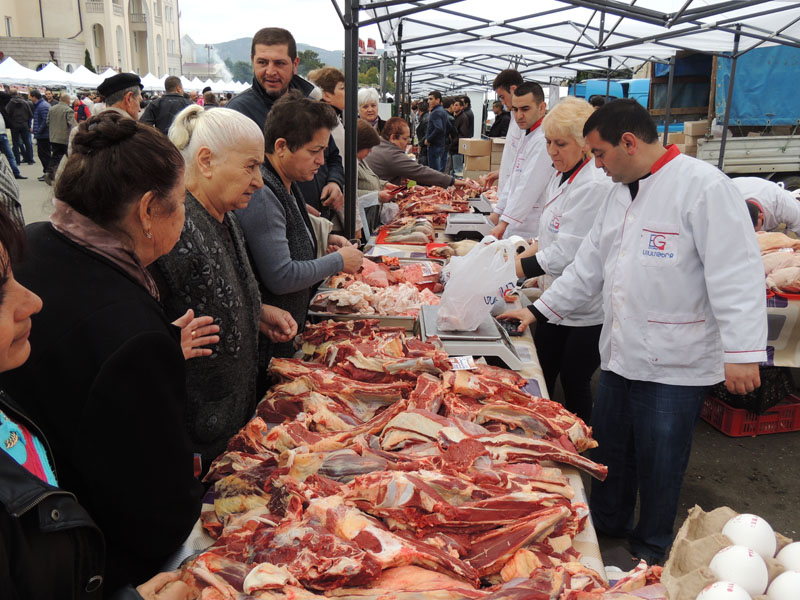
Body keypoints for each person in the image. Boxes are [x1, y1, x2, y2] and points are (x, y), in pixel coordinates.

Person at [499, 98, 766, 565]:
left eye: (599, 154)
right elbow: (589, 266)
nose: (596, 166)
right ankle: (607, 527)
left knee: (661, 461)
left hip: (676, 360)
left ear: (628, 142)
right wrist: (539, 310)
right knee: (613, 449)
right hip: (622, 352)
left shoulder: (703, 187)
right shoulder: (620, 193)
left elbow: (736, 273)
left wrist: (743, 352)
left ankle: (651, 548)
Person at [0, 111, 205, 592]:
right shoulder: (134, 335)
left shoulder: (30, 242)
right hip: (91, 566)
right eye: (180, 204)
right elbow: (160, 512)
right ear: (149, 210)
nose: (30, 304)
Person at [152, 105, 297, 469]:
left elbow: (214, 294)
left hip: (231, 425)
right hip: (194, 439)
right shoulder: (176, 226)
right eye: (250, 166)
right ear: (205, 161)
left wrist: (256, 311)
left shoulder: (225, 214)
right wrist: (167, 341)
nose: (259, 181)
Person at [235, 92, 362, 391]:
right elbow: (281, 275)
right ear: (281, 147)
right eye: (314, 151)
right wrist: (339, 261)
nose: (321, 160)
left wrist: (326, 238)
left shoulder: (287, 185)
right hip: (270, 345)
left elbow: (288, 237)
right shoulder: (265, 194)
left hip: (286, 334)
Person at [513, 97, 614, 423]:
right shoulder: (563, 176)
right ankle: (549, 430)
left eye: (560, 143)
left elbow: (569, 253)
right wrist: (524, 257)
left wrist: (517, 268)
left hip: (586, 308)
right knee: (543, 367)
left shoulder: (593, 185)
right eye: (548, 142)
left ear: (584, 144)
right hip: (555, 296)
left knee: (574, 378)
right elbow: (554, 236)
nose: (552, 151)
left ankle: (581, 444)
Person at [228, 27, 345, 224]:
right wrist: (289, 204)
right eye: (263, 62)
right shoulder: (237, 112)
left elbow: (332, 155)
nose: (270, 71)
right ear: (252, 61)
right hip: (275, 225)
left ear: (295, 64)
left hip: (320, 222)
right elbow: (233, 176)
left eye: (279, 63)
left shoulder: (310, 104)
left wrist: (335, 182)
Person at [489, 81, 553, 240]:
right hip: (515, 221)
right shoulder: (527, 134)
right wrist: (497, 213)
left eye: (525, 109)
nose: (519, 115)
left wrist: (503, 222)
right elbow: (513, 178)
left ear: (542, 107)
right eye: (515, 109)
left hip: (531, 225)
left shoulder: (543, 139)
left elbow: (529, 184)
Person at [364, 117, 470, 188]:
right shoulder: (391, 154)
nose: (407, 143)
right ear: (393, 137)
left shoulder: (379, 143)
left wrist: (402, 189)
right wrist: (453, 181)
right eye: (405, 139)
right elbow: (422, 172)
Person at [484, 69, 525, 190]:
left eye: (502, 97)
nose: (502, 102)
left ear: (513, 89)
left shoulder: (525, 124)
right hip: (508, 191)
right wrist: (501, 172)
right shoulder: (513, 117)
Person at [356, 119, 400, 233]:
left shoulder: (361, 160)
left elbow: (369, 177)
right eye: (368, 147)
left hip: (369, 218)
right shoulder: (349, 164)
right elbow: (347, 193)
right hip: (358, 223)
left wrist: (384, 184)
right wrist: (378, 195)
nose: (370, 151)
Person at [734, 177, 800, 234]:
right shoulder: (730, 199)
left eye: (756, 231)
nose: (756, 234)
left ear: (761, 216)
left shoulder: (782, 203)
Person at [46, 92, 78, 182]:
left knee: (55, 156)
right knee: (72, 157)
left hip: (53, 137)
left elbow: (47, 122)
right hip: (65, 138)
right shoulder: (68, 110)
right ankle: (74, 175)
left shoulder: (52, 109)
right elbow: (73, 125)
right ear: (67, 101)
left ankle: (49, 173)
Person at [6, 90, 34, 167]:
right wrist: (28, 123)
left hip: (14, 125)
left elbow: (7, 113)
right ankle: (30, 160)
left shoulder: (10, 103)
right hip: (24, 124)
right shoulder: (25, 102)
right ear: (18, 94)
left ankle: (17, 161)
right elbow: (30, 114)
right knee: (27, 142)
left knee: (15, 143)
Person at [29, 90, 51, 182]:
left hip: (44, 135)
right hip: (43, 134)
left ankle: (49, 173)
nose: (29, 98)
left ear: (34, 97)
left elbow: (46, 120)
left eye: (30, 96)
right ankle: (47, 173)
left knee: (44, 155)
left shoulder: (42, 106)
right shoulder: (41, 105)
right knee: (43, 154)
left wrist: (38, 131)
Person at [425, 91, 449, 173]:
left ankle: (436, 185)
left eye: (431, 99)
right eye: (428, 99)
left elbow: (439, 128)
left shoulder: (436, 112)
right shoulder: (442, 111)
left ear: (438, 100)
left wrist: (428, 139)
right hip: (440, 144)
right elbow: (448, 127)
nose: (428, 101)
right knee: (439, 171)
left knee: (434, 172)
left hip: (435, 145)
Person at [0, 109, 25, 180]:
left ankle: (16, 173)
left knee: (10, 155)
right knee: (10, 156)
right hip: (3, 134)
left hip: (3, 134)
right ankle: (16, 173)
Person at [450, 97, 470, 177]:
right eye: (454, 105)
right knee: (452, 170)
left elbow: (463, 135)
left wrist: (453, 143)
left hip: (457, 148)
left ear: (461, 107)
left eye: (456, 105)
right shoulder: (455, 117)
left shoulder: (463, 118)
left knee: (457, 170)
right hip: (453, 148)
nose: (454, 107)